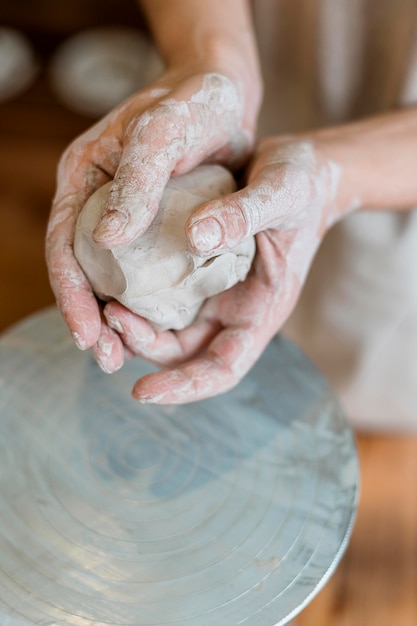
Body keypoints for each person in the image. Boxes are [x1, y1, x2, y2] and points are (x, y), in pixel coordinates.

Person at [46, 0, 417, 430]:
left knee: (328, 401)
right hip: (201, 125)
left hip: (395, 176)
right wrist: (209, 57)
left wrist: (334, 174)